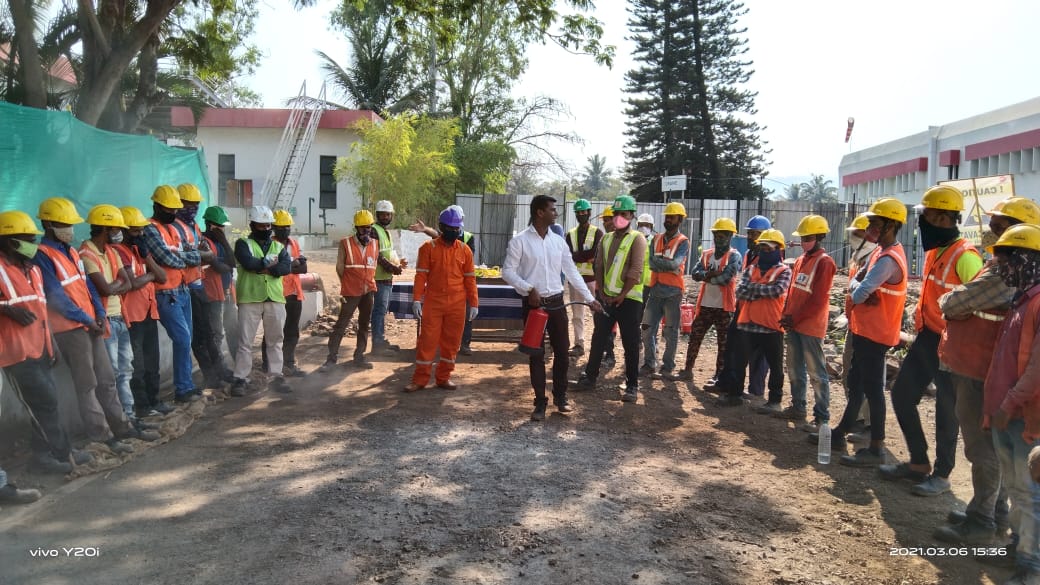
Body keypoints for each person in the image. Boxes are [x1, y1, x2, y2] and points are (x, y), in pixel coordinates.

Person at [928, 198, 1037, 545]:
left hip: (979, 367)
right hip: (980, 366)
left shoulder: (1005, 273)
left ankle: (982, 520)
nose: (992, 233)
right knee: (993, 450)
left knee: (982, 450)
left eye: (999, 227)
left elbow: (953, 302)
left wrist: (954, 306)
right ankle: (992, 511)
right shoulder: (1006, 268)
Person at [35, 198, 155, 454]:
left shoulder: (70, 252)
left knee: (107, 379)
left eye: (70, 223)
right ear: (48, 224)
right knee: (87, 384)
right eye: (64, 224)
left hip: (91, 323)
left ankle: (122, 427)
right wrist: (87, 318)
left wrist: (99, 313)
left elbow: (87, 286)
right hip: (69, 328)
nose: (69, 228)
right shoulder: (43, 256)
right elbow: (56, 297)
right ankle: (102, 435)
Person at [885, 185, 983, 489]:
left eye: (926, 216)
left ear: (942, 218)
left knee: (946, 410)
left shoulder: (965, 256)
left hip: (952, 343)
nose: (921, 223)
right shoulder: (936, 251)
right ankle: (918, 461)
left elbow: (980, 304)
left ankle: (941, 474)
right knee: (902, 394)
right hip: (928, 337)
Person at [813, 198, 907, 466]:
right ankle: (841, 432)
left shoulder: (888, 259)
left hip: (876, 333)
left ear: (891, 225)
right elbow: (858, 283)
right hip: (865, 329)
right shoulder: (880, 252)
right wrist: (860, 286)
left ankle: (876, 447)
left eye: (875, 223)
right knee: (856, 384)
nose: (869, 228)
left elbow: (859, 291)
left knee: (873, 389)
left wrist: (859, 287)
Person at [0, 210, 92, 473]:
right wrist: (6, 308)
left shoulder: (34, 271)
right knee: (43, 403)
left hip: (40, 347)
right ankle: (56, 455)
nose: (33, 244)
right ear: (10, 242)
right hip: (15, 353)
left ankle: (51, 454)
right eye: (28, 239)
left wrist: (51, 343)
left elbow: (42, 311)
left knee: (48, 402)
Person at [503, 195, 602, 420]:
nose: (556, 213)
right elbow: (507, 271)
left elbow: (572, 272)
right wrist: (528, 289)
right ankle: (540, 402)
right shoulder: (519, 241)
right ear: (540, 212)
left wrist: (589, 298)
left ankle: (560, 396)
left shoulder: (558, 241)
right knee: (536, 354)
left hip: (557, 303)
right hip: (534, 306)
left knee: (562, 352)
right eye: (552, 209)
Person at [984, 223, 1040, 584]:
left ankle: (1031, 567)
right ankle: (1019, 548)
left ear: (1027, 260)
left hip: (1025, 416)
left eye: (1007, 260)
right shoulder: (1021, 300)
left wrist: (1009, 403)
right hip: (1006, 412)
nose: (1001, 268)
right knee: (1018, 490)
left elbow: (1037, 367)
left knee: (1030, 493)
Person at [575, 195, 647, 403]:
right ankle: (590, 377)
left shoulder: (637, 239)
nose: (618, 218)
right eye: (616, 214)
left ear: (631, 215)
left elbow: (635, 270)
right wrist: (602, 293)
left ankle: (632, 385)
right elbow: (598, 266)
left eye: (623, 214)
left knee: (630, 342)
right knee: (599, 337)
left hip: (629, 300)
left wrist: (622, 295)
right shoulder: (606, 239)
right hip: (607, 298)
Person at [139, 185, 204, 402]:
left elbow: (194, 255)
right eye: (169, 209)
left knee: (187, 339)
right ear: (157, 206)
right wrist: (185, 258)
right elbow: (166, 258)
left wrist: (184, 258)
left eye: (175, 209)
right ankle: (183, 388)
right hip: (166, 294)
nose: (174, 212)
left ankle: (186, 385)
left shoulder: (173, 228)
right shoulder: (150, 228)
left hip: (182, 289)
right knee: (182, 339)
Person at [404, 207, 478, 392]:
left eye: (456, 228)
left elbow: (470, 279)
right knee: (427, 341)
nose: (453, 231)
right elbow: (421, 276)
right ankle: (420, 380)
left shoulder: (465, 250)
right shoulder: (427, 249)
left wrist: (474, 303)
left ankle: (444, 378)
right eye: (450, 228)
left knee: (452, 343)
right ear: (441, 227)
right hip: (433, 303)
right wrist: (416, 299)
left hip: (457, 304)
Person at [716, 228, 791, 408]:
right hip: (747, 324)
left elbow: (776, 291)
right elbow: (740, 292)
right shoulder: (751, 269)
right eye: (762, 248)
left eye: (768, 248)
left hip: (771, 326)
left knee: (775, 366)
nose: (764, 251)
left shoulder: (784, 271)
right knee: (738, 362)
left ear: (779, 249)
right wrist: (762, 290)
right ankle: (734, 395)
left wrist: (753, 289)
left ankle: (774, 401)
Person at [776, 215, 836, 425]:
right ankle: (798, 407)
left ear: (820, 237)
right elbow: (792, 291)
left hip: (810, 327)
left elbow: (818, 300)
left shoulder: (825, 262)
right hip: (794, 324)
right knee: (794, 368)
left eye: (808, 238)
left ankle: (821, 417)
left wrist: (795, 318)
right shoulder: (801, 260)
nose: (803, 242)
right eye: (802, 238)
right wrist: (785, 315)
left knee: (816, 373)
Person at [115, 206, 174, 418]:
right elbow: (133, 284)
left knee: (152, 361)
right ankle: (141, 405)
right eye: (135, 230)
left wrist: (147, 256)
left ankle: (154, 400)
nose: (140, 234)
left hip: (149, 311)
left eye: (141, 230)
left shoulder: (139, 251)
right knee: (137, 365)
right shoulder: (118, 252)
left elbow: (163, 277)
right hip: (132, 316)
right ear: (123, 231)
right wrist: (150, 276)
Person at [230, 205, 292, 396]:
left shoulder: (278, 246)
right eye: (261, 225)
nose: (265, 229)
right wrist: (269, 267)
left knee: (276, 340)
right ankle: (240, 378)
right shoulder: (243, 244)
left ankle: (276, 376)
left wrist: (263, 268)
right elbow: (248, 263)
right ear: (252, 225)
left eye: (268, 226)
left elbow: (286, 267)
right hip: (250, 297)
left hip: (275, 298)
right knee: (245, 341)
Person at [80, 204, 134, 419]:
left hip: (120, 317)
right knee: (111, 374)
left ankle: (128, 414)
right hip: (105, 321)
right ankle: (118, 418)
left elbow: (127, 283)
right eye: (116, 228)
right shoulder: (86, 254)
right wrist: (115, 285)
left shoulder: (111, 251)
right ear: (105, 228)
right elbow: (104, 289)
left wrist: (114, 286)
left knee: (125, 370)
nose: (119, 232)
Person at [671, 218, 741, 385]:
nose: (718, 239)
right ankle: (687, 370)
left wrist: (707, 277)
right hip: (705, 305)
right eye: (716, 235)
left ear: (730, 236)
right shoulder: (707, 254)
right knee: (695, 337)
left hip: (724, 307)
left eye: (722, 236)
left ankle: (719, 376)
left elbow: (726, 279)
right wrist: (710, 275)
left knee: (723, 344)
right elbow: (695, 274)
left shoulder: (734, 256)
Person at [709, 215, 772, 394]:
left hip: (760, 311)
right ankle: (727, 383)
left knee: (758, 354)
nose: (751, 237)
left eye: (755, 234)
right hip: (743, 306)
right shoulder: (748, 255)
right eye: (750, 233)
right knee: (733, 345)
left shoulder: (769, 257)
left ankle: (755, 392)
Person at [172, 183, 221, 391]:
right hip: (185, 286)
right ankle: (209, 376)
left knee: (208, 332)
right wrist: (200, 254)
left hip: (198, 284)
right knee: (196, 336)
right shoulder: (175, 227)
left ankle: (219, 372)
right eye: (188, 204)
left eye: (195, 204)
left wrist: (199, 254)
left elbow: (208, 253)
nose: (192, 208)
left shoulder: (193, 226)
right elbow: (187, 255)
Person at [322, 210, 379, 371]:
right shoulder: (345, 243)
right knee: (341, 324)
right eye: (362, 228)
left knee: (364, 324)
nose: (365, 231)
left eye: (368, 227)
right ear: (356, 228)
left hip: (368, 290)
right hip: (351, 291)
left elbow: (374, 265)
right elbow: (339, 268)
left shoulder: (375, 244)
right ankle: (331, 359)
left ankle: (359, 356)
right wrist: (346, 284)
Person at [837, 213, 878, 435]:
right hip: (855, 323)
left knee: (868, 377)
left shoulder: (877, 260)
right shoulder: (858, 259)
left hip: (870, 327)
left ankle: (869, 424)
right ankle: (858, 418)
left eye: (857, 233)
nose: (853, 237)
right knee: (850, 374)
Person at [640, 202, 689, 380]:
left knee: (670, 332)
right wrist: (667, 266)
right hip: (656, 289)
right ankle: (649, 364)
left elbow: (675, 264)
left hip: (673, 292)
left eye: (672, 217)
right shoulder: (656, 239)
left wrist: (663, 264)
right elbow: (651, 263)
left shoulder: (683, 241)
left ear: (680, 220)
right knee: (647, 328)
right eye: (667, 217)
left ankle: (667, 367)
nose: (668, 220)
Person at [262, 210, 308, 376]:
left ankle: (288, 364)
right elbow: (272, 269)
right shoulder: (269, 245)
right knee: (273, 332)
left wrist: (286, 266)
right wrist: (292, 265)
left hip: (294, 294)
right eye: (281, 227)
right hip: (276, 294)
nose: (285, 230)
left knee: (292, 331)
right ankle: (268, 366)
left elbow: (303, 268)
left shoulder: (294, 243)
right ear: (274, 227)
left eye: (287, 226)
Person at [199, 206, 237, 377]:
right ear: (210, 225)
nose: (223, 229)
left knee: (233, 329)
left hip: (227, 293)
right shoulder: (204, 242)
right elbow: (220, 267)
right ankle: (217, 371)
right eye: (220, 226)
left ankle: (240, 366)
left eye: (223, 226)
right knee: (216, 334)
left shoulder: (221, 242)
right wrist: (226, 264)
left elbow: (232, 262)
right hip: (213, 295)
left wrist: (224, 242)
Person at [565, 198, 603, 357]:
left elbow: (595, 253)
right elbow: (568, 255)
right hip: (575, 280)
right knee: (577, 314)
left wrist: (578, 256)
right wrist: (585, 257)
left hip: (592, 279)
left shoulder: (597, 233)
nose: (581, 214)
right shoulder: (570, 234)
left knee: (596, 313)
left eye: (584, 212)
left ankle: (599, 345)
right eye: (579, 212)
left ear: (589, 213)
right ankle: (579, 345)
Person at [371, 200, 407, 353]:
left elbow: (388, 253)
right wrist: (393, 268)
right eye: (382, 214)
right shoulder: (374, 230)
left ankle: (380, 339)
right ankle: (377, 344)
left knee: (382, 309)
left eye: (388, 214)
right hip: (378, 278)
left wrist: (398, 263)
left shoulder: (385, 232)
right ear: (377, 215)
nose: (385, 217)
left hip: (386, 277)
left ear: (391, 216)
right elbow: (376, 255)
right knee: (379, 310)